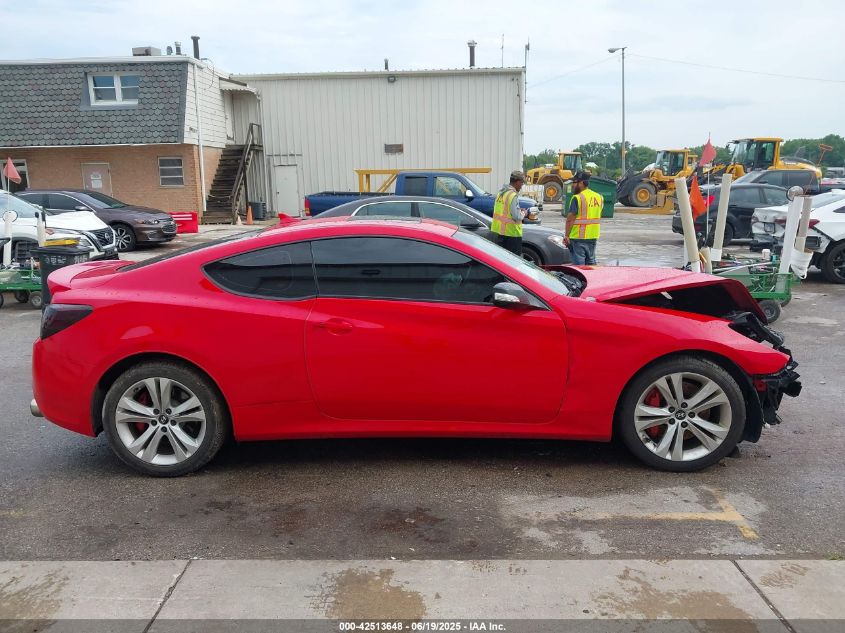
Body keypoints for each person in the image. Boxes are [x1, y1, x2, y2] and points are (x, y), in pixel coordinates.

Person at [565, 170, 604, 265]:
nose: (573, 185)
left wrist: (566, 235)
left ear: (582, 183)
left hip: (578, 237)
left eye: (575, 182)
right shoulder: (599, 197)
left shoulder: (577, 198)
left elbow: (570, 219)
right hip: (593, 236)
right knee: (590, 264)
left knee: (579, 266)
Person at [491, 170, 526, 256]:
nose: (521, 186)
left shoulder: (501, 193)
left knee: (501, 259)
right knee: (513, 261)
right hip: (512, 235)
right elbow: (517, 217)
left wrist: (518, 210)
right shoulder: (512, 195)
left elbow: (505, 211)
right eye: (522, 183)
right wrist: (524, 213)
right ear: (517, 182)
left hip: (498, 233)